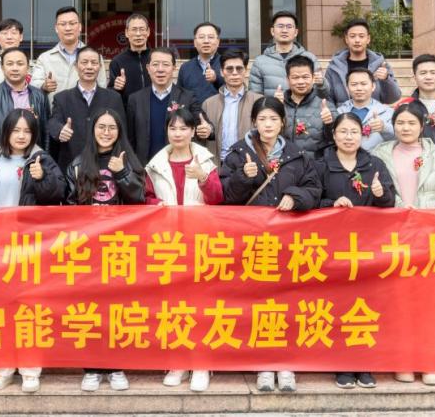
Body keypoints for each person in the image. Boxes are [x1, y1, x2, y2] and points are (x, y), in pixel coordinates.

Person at [220, 96, 320, 393]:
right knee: (258, 304)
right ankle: (263, 363)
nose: (267, 125)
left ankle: (286, 363)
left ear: (283, 123)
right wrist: (243, 177)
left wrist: (295, 196)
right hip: (253, 244)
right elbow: (225, 196)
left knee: (287, 304)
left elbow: (314, 189)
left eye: (273, 119)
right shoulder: (238, 154)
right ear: (254, 122)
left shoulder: (298, 155)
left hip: (289, 243)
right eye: (262, 119)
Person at [371, 101, 435, 387]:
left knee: (431, 303)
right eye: (400, 123)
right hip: (394, 237)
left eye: (411, 123)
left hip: (430, 237)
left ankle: (430, 362)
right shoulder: (380, 154)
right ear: (393, 125)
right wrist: (397, 205)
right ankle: (403, 360)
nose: (405, 128)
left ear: (422, 126)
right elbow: (377, 188)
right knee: (399, 303)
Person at [0, 109, 66, 393]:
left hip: (30, 244)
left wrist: (41, 178)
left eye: (27, 131)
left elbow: (58, 194)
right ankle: (1, 369)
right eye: (16, 130)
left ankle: (30, 368)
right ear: (6, 132)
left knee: (30, 306)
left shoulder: (43, 160)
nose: (21, 136)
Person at [65, 108, 144, 393]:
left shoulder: (129, 161)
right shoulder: (77, 164)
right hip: (88, 250)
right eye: (101, 127)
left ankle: (116, 366)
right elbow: (68, 206)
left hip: (120, 248)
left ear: (119, 131)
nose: (106, 132)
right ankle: (92, 367)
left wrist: (122, 172)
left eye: (112, 127)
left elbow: (139, 199)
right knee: (89, 309)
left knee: (117, 309)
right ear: (93, 130)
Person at [314, 112, 394, 390]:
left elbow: (389, 203)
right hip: (332, 248)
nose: (349, 137)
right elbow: (311, 199)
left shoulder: (374, 163)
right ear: (334, 135)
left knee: (364, 305)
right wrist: (331, 203)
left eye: (354, 132)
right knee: (337, 304)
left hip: (366, 247)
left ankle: (364, 363)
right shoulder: (321, 164)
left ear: (363, 135)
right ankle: (342, 364)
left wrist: (381, 193)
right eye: (343, 132)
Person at [144, 107, 222, 393]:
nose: (178, 133)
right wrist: (156, 206)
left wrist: (202, 177)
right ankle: (177, 361)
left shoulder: (206, 160)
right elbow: (146, 197)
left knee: (200, 303)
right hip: (168, 243)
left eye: (183, 128)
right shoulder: (155, 164)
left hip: (199, 241)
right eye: (173, 128)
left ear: (193, 131)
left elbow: (217, 198)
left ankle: (201, 363)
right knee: (172, 303)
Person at [48, 46, 125, 170]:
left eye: (94, 63)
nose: (89, 67)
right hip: (71, 167)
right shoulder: (62, 98)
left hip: (105, 168)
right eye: (84, 62)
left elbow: (122, 132)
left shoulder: (113, 98)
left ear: (100, 66)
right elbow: (53, 121)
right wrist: (60, 130)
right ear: (76, 66)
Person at [126, 47, 205, 164]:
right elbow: (130, 138)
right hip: (144, 166)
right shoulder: (135, 99)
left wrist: (208, 129)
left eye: (166, 64)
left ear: (174, 68)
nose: (160, 69)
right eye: (155, 64)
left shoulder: (188, 97)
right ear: (148, 68)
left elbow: (203, 124)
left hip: (177, 165)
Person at [0, 47, 50, 155]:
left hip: (32, 157)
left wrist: (45, 157)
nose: (15, 68)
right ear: (2, 68)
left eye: (20, 64)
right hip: (1, 156)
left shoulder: (39, 95)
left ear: (28, 68)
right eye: (10, 64)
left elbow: (46, 131)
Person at [200, 49, 262, 168]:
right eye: (229, 69)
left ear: (245, 71)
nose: (234, 73)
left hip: (249, 164)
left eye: (239, 68)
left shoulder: (258, 101)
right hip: (217, 164)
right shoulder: (208, 104)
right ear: (221, 72)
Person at [32, 6, 105, 104]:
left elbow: (102, 87)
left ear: (80, 27)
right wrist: (44, 86)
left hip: (86, 111)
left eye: (72, 23)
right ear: (56, 28)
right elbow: (33, 84)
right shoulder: (45, 58)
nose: (68, 28)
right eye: (63, 24)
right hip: (55, 111)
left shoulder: (94, 57)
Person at [323, 19, 401, 106]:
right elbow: (327, 98)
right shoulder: (334, 67)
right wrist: (337, 114)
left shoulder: (380, 65)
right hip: (343, 114)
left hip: (373, 114)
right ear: (346, 39)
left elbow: (393, 98)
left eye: (361, 36)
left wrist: (386, 80)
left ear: (368, 39)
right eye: (352, 36)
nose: (357, 40)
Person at [248, 11, 322, 98]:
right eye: (280, 26)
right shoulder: (260, 62)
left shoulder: (310, 58)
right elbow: (254, 97)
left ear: (296, 32)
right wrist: (272, 104)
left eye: (289, 27)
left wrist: (322, 84)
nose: (284, 30)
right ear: (272, 31)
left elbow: (321, 94)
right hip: (272, 107)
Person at [330, 68, 395, 151]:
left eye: (363, 84)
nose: (359, 88)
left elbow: (399, 138)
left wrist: (384, 128)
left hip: (376, 158)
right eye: (354, 84)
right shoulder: (339, 112)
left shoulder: (387, 112)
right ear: (347, 88)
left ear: (373, 86)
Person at [280, 54, 329, 161]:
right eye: (295, 78)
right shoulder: (279, 104)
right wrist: (276, 109)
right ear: (287, 80)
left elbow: (334, 139)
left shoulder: (325, 105)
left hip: (315, 166)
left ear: (313, 78)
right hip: (285, 165)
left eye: (305, 77)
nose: (301, 82)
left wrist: (329, 123)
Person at [108, 13, 152, 105]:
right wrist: (117, 87)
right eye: (134, 30)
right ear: (126, 33)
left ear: (148, 32)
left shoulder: (156, 58)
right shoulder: (117, 62)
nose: (138, 34)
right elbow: (110, 94)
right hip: (128, 111)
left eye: (142, 29)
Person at [176, 21, 224, 103]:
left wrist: (217, 79)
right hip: (192, 111)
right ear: (195, 42)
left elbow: (234, 89)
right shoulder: (185, 67)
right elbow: (179, 97)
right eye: (201, 37)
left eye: (210, 37)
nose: (206, 41)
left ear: (218, 42)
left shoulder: (226, 64)